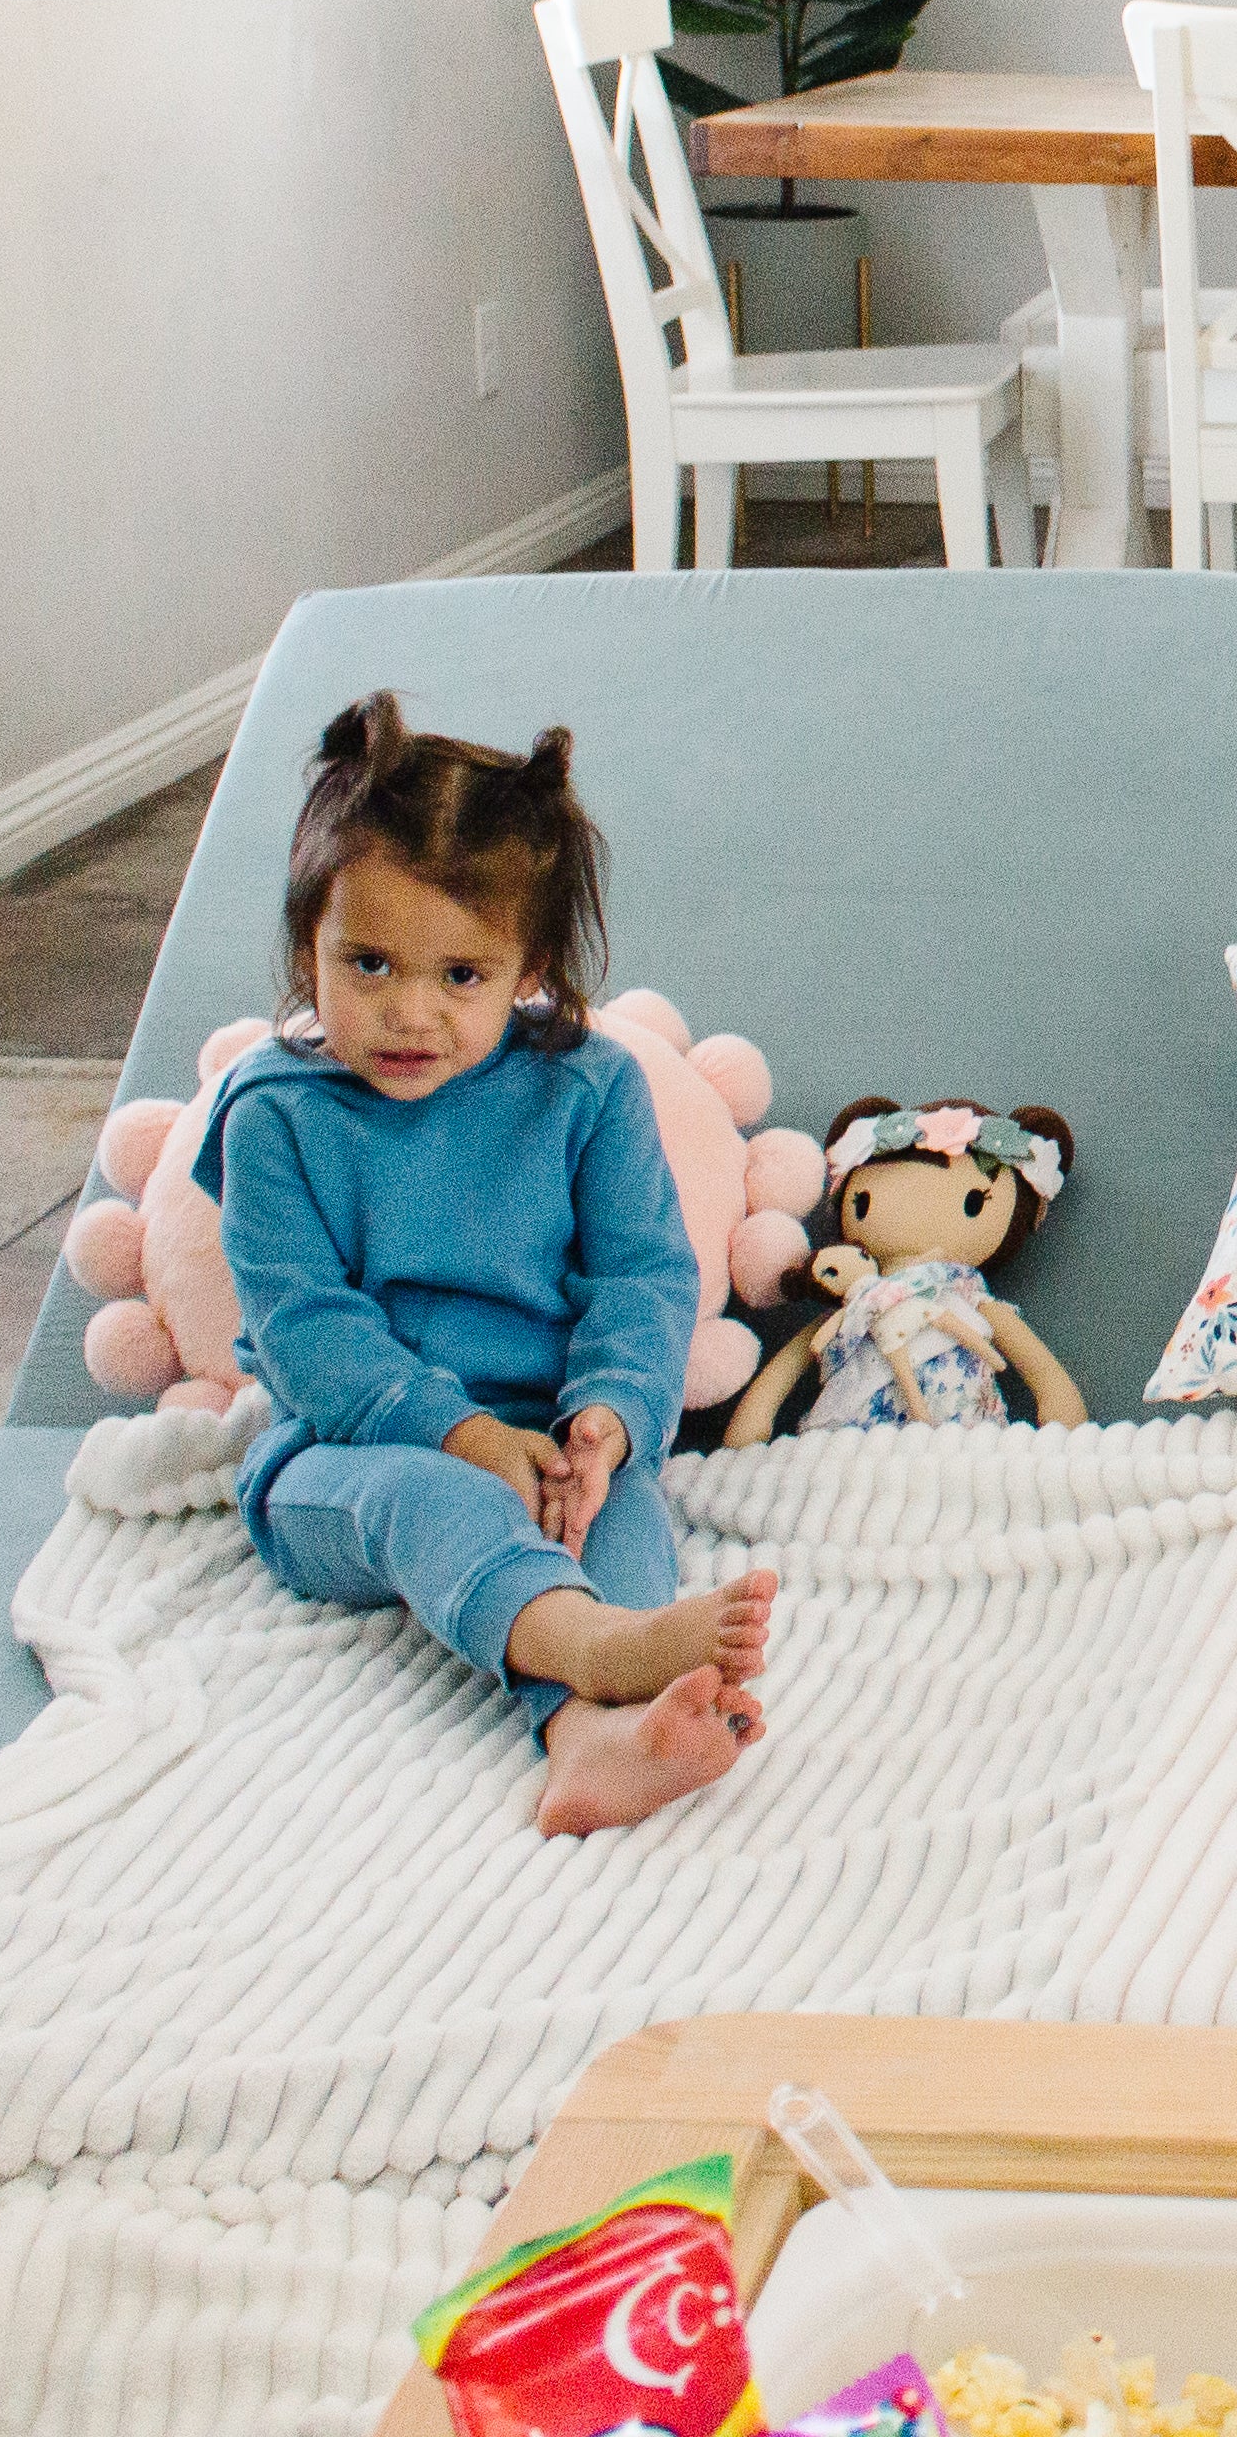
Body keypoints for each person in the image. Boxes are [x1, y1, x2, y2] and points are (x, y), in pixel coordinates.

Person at [203, 694, 781, 1835]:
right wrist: (462, 1436)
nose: (410, 1011)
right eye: (366, 963)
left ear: (533, 966)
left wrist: (606, 1421)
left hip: (548, 1430)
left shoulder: (591, 1088)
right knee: (435, 1499)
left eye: (461, 975)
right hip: (346, 1458)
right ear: (305, 945)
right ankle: (607, 1648)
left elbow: (643, 1277)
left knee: (616, 1519)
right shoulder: (271, 1115)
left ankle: (592, 1739)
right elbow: (308, 1331)